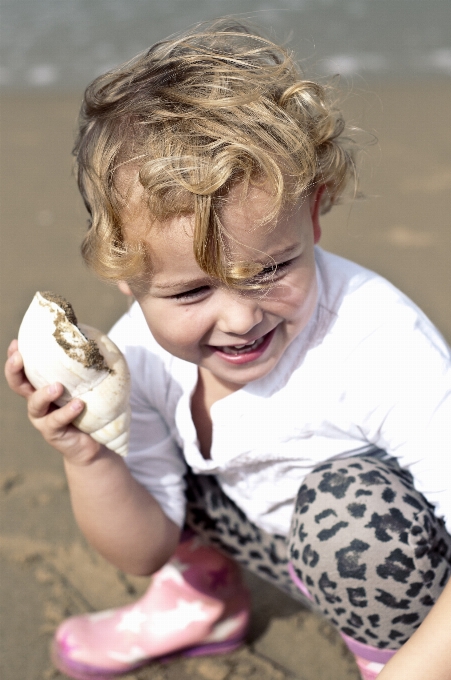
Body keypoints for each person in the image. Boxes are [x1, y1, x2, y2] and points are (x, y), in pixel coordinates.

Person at [5, 19, 451, 680]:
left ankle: (386, 657)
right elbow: (143, 547)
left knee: (352, 518)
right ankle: (202, 599)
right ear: (127, 278)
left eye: (271, 270)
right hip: (259, 529)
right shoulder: (142, 357)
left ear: (313, 213)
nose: (240, 318)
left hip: (382, 555)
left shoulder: (377, 343)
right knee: (148, 461)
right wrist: (88, 454)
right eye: (191, 294)